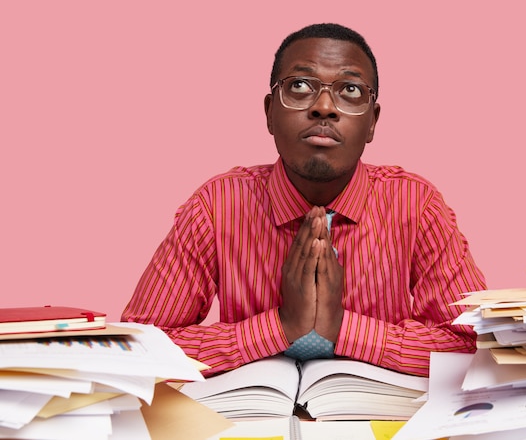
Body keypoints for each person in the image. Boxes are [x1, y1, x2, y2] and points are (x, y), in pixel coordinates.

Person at [121, 23, 486, 377]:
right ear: (269, 113)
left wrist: (343, 328)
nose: (324, 107)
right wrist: (281, 326)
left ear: (372, 122)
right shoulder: (217, 204)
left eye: (351, 91)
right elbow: (141, 347)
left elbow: (474, 343)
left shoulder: (416, 204)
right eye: (299, 85)